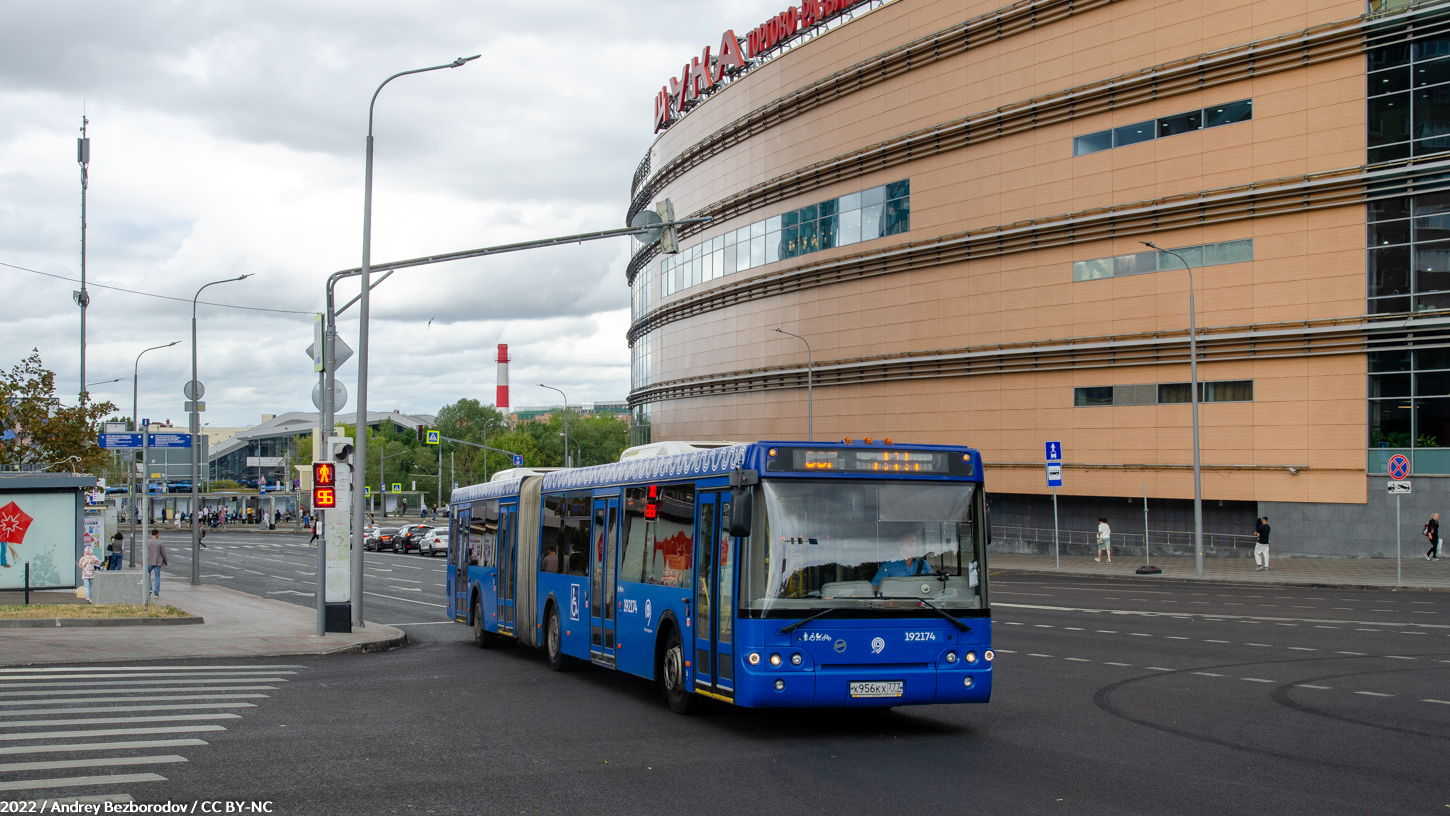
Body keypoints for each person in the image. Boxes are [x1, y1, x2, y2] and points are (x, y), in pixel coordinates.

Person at [146, 529, 168, 598]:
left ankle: (149, 588)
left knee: (147, 575)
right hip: (158, 562)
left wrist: (143, 562)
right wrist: (165, 561)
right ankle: (156, 592)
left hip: (149, 561)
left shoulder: (147, 542)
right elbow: (163, 553)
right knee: (157, 576)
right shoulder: (160, 543)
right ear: (157, 534)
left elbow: (144, 552)